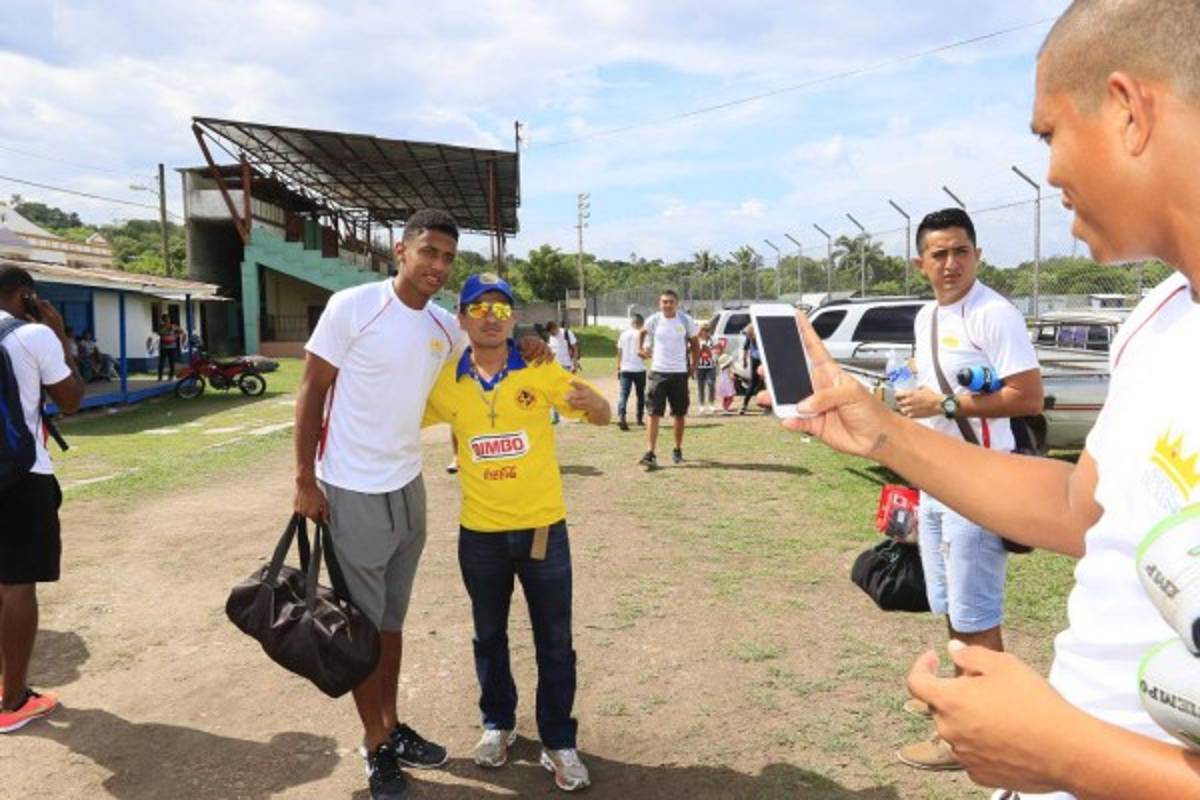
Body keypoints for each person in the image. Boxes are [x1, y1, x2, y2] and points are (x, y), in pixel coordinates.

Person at [782, 3, 1200, 795]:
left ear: (1127, 110)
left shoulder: (1002, 313)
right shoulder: (1160, 318)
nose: (1050, 174)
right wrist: (884, 436)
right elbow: (1082, 508)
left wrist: (1062, 751)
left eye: (1048, 134)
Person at [423, 273, 610, 793]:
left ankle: (559, 740)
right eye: (479, 308)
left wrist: (596, 406)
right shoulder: (444, 380)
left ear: (513, 319)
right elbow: (395, 418)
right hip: (480, 535)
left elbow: (598, 413)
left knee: (555, 641)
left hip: (542, 530)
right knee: (488, 635)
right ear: (462, 318)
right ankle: (497, 724)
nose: (490, 317)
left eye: (502, 309)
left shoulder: (538, 366)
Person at [890, 208, 1044, 771]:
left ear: (977, 255)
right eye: (939, 254)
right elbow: (929, 380)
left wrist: (947, 403)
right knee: (952, 601)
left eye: (961, 252)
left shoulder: (993, 313)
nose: (951, 263)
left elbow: (1027, 396)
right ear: (921, 264)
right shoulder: (927, 315)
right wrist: (911, 392)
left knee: (976, 614)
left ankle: (976, 737)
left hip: (980, 479)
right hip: (938, 477)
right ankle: (963, 695)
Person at [0, 263, 84, 732]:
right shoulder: (34, 336)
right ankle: (12, 702)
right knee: (16, 585)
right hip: (19, 475)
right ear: (26, 295)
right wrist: (59, 336)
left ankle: (5, 685)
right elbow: (71, 399)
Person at [637, 289, 699, 468]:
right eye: (664, 301)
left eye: (671, 301)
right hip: (658, 372)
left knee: (679, 414)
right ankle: (650, 453)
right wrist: (639, 349)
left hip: (679, 373)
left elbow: (695, 344)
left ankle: (677, 448)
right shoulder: (654, 320)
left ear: (676, 304)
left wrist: (693, 365)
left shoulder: (685, 320)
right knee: (653, 413)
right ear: (660, 303)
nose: (668, 305)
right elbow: (642, 332)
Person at [615, 314, 647, 431]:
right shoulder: (642, 334)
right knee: (640, 395)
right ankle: (639, 419)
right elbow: (645, 352)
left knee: (623, 394)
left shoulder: (623, 335)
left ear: (632, 322)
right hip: (639, 369)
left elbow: (619, 352)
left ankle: (621, 416)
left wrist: (618, 367)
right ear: (642, 323)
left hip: (625, 368)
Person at [739, 325, 763, 415]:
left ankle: (744, 406)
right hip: (763, 359)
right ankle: (769, 406)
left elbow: (745, 347)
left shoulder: (750, 332)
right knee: (767, 383)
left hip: (754, 358)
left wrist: (744, 360)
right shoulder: (760, 330)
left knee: (753, 382)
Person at [695, 322, 717, 415]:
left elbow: (715, 350)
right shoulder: (696, 340)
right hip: (699, 366)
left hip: (710, 365)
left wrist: (713, 354)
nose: (706, 332)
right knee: (700, 386)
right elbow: (693, 352)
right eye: (705, 330)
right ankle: (701, 405)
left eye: (708, 330)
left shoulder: (712, 340)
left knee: (711, 384)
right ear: (701, 331)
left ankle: (711, 403)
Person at [156, 314, 181, 381]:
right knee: (161, 362)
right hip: (163, 347)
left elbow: (181, 331)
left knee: (172, 362)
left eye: (168, 319)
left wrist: (175, 336)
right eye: (165, 319)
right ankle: (160, 377)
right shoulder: (161, 327)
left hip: (172, 347)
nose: (167, 320)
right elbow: (159, 333)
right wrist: (166, 327)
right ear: (163, 320)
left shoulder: (173, 326)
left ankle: (171, 376)